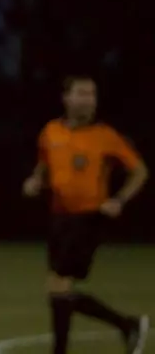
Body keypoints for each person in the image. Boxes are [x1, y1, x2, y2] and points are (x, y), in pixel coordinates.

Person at [23, 75, 149, 354]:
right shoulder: (51, 131)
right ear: (66, 98)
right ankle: (127, 324)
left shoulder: (105, 136)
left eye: (91, 94)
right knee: (58, 290)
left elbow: (140, 171)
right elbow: (44, 165)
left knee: (60, 284)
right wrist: (35, 181)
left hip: (88, 218)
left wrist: (118, 200)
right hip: (59, 217)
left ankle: (61, 350)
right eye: (81, 93)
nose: (87, 100)